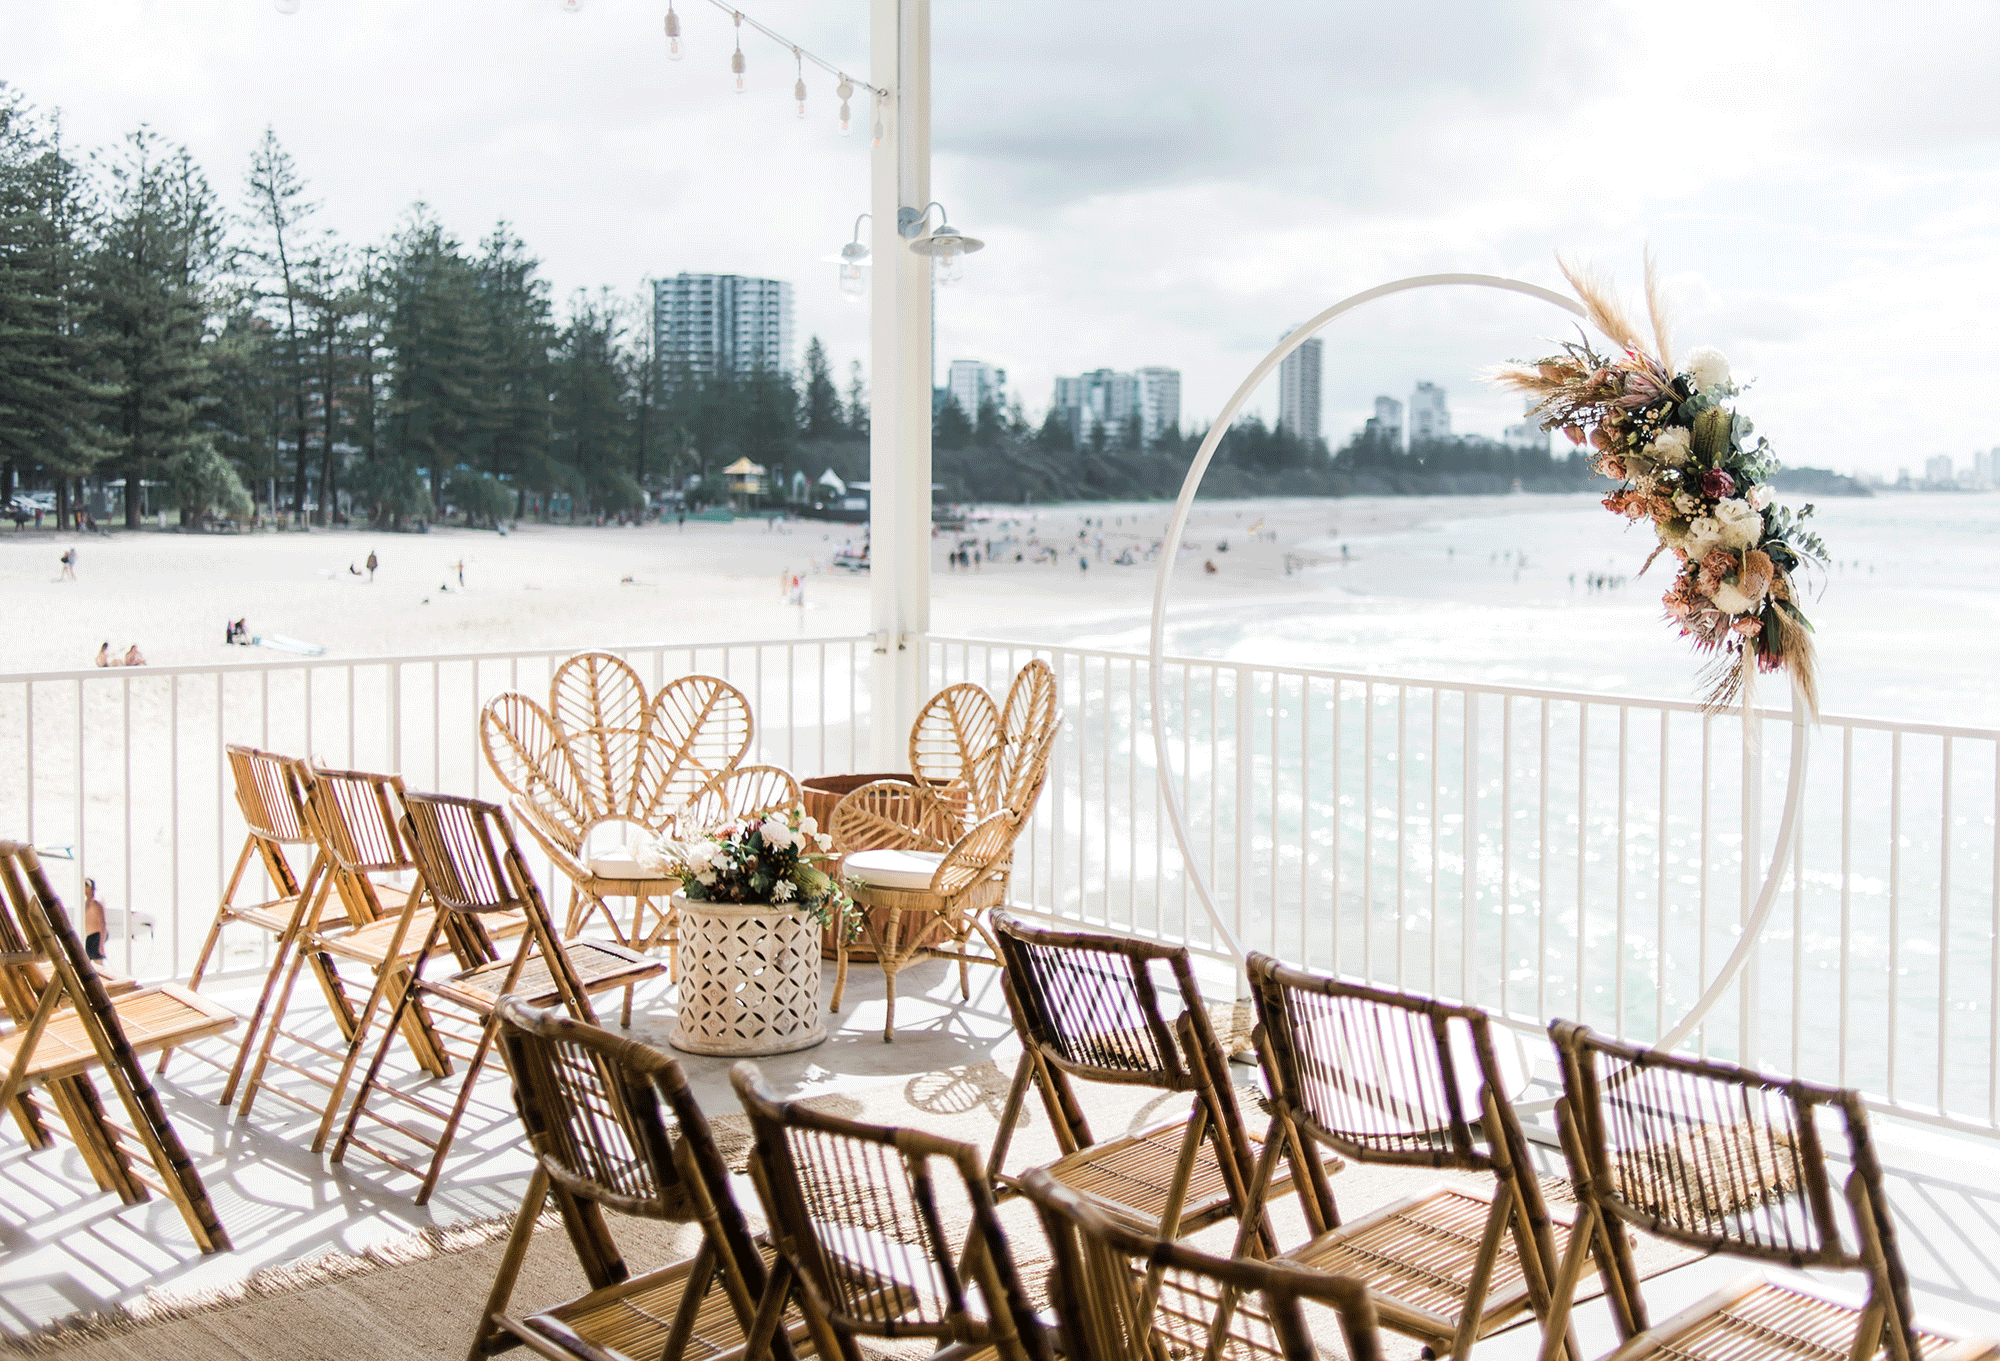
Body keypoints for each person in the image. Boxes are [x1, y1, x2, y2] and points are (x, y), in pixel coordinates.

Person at [82, 878, 107, 963]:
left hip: (96, 936)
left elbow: (102, 924)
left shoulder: (96, 904)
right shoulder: (85, 904)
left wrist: (101, 944)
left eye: (87, 886)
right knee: (87, 964)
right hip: (89, 937)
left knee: (98, 964)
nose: (85, 888)